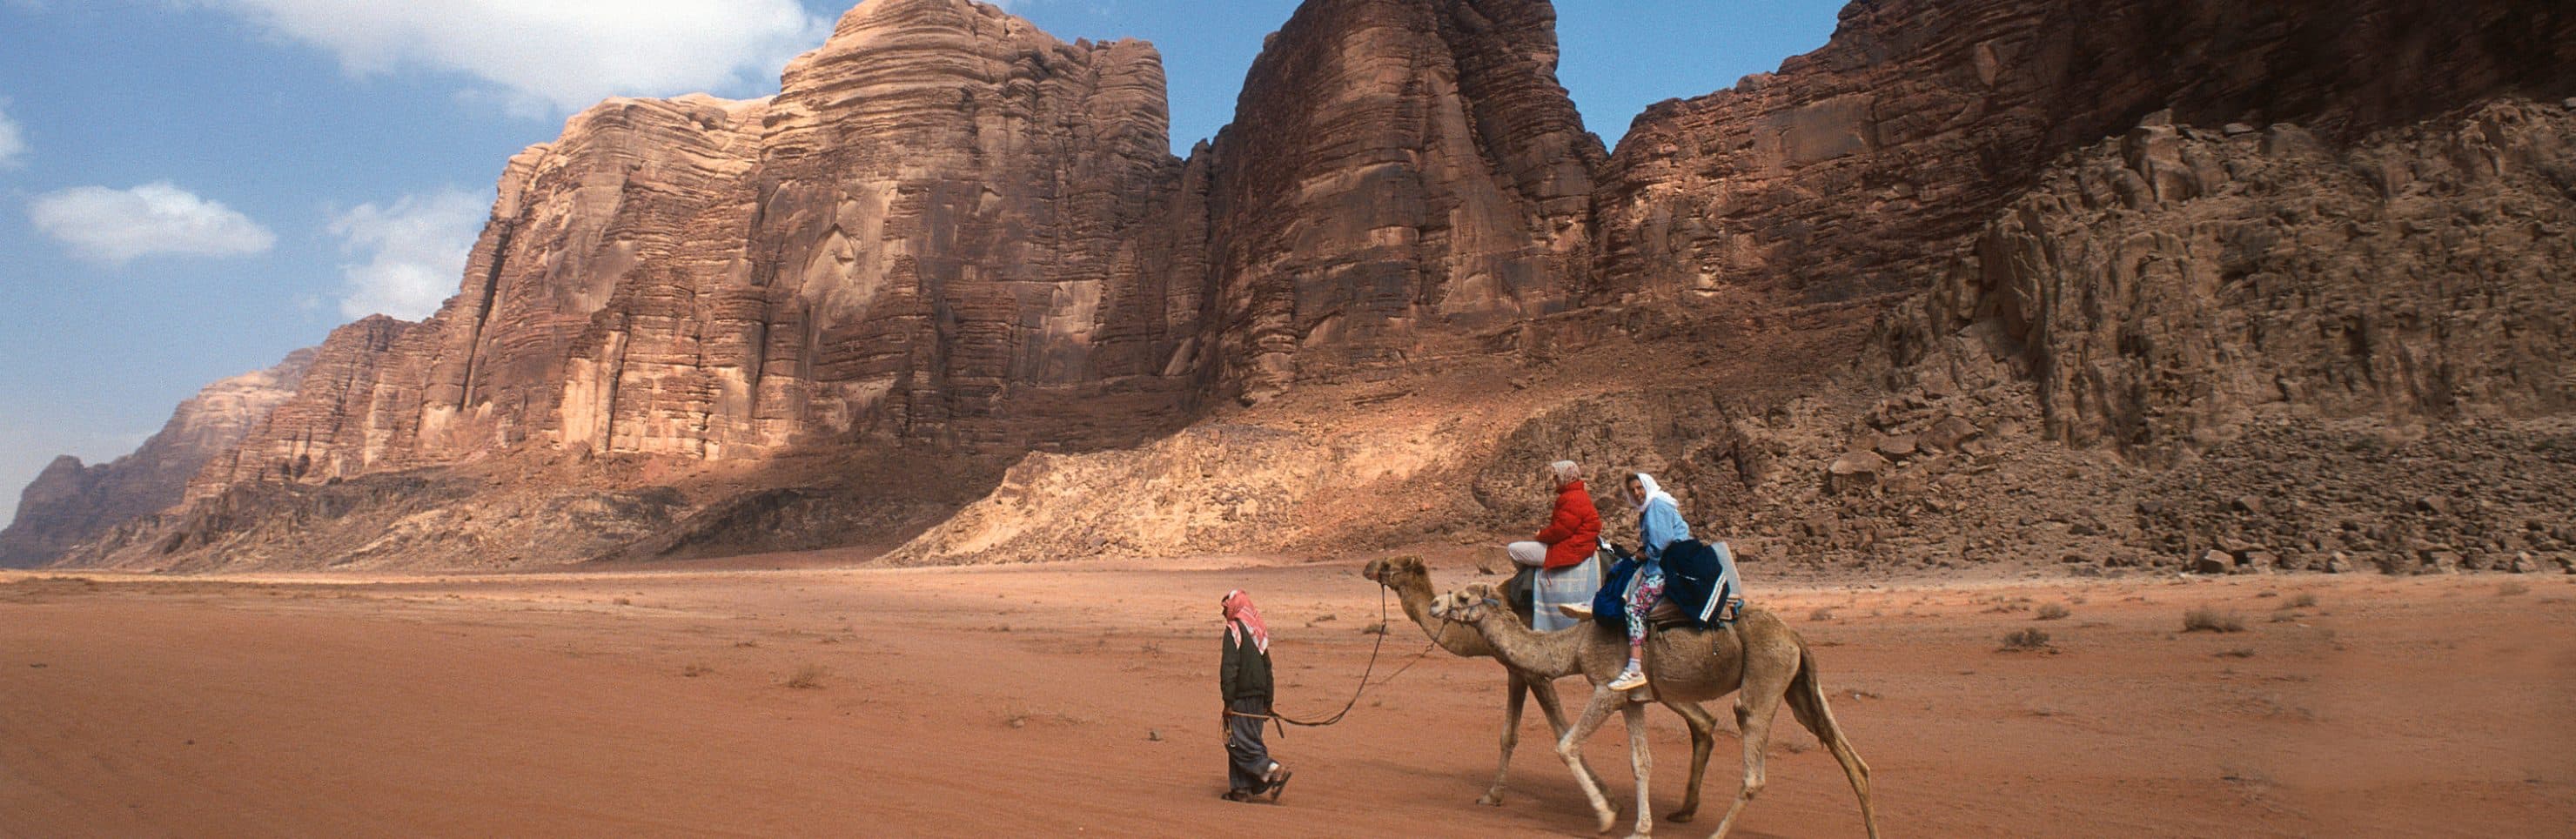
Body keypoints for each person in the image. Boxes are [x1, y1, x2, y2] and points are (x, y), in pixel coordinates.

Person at [1608, 473, 1690, 691]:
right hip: (1663, 563)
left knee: (1634, 608)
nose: (1637, 493)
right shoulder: (1652, 507)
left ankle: (1634, 668)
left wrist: (1644, 554)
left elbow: (1661, 545)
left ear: (1647, 486)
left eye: (1639, 488)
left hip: (1666, 568)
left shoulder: (1655, 506)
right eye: (1633, 490)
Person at [1506, 460, 1604, 632]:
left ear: (1566, 477)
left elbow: (1561, 530)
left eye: (1557, 477)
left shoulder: (1571, 498)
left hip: (1569, 549)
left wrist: (1540, 536)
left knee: (1514, 550)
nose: (1554, 480)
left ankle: (1525, 584)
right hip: (1577, 545)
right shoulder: (1578, 495)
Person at [1219, 590, 1292, 802]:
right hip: (1258, 697)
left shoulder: (1234, 630)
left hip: (1241, 697)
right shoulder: (1257, 630)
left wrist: (1228, 701)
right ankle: (1241, 790)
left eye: (1225, 608)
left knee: (1236, 742)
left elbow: (1229, 668)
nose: (1223, 612)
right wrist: (1268, 701)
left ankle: (1272, 770)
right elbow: (1267, 667)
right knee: (1247, 739)